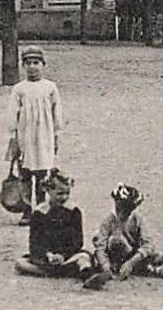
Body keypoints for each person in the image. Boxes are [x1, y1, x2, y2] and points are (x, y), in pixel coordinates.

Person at [13, 171, 103, 283]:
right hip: (46, 259)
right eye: (60, 193)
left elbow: (77, 242)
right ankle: (62, 272)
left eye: (67, 193)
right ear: (48, 191)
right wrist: (49, 255)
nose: (64, 197)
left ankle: (87, 276)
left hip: (67, 256)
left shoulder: (73, 212)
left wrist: (63, 255)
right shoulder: (39, 213)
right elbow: (35, 243)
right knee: (20, 263)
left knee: (83, 257)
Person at [6, 44, 63, 219]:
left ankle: (40, 207)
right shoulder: (19, 89)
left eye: (36, 62)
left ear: (43, 64)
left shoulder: (50, 87)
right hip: (26, 136)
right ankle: (26, 209)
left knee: (42, 173)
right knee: (24, 173)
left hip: (44, 135)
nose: (32, 67)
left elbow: (56, 111)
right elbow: (12, 112)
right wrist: (13, 135)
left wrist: (56, 134)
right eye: (28, 63)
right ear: (23, 66)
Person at [87, 183, 163, 287]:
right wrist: (106, 266)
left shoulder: (137, 218)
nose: (122, 213)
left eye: (127, 209)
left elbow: (148, 244)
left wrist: (131, 262)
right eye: (119, 208)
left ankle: (135, 268)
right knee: (115, 241)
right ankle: (151, 270)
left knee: (158, 257)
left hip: (132, 254)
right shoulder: (108, 220)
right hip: (114, 254)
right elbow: (100, 246)